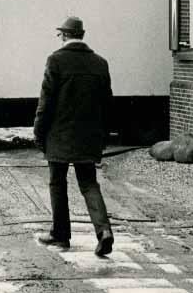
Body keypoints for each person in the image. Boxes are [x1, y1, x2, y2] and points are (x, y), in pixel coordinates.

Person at [33, 16, 114, 257]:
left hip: (59, 135)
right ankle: (104, 232)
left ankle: (61, 235)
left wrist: (39, 131)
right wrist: (103, 136)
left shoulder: (56, 61)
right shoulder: (100, 63)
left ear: (65, 36)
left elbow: (45, 102)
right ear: (82, 35)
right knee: (89, 183)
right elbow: (107, 104)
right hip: (88, 136)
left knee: (57, 183)